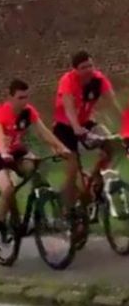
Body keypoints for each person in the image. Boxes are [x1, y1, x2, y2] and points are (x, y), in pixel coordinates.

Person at [0, 79, 70, 241]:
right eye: (20, 98)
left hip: (16, 151)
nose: (24, 102)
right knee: (8, 189)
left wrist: (61, 148)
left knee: (35, 169)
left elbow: (43, 132)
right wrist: (4, 154)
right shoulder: (1, 112)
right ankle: (0, 221)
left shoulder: (29, 112)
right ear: (10, 98)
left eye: (26, 97)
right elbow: (0, 136)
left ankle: (41, 213)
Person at [53, 51, 123, 212]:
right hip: (65, 127)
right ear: (75, 70)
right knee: (73, 169)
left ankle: (96, 181)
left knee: (110, 143)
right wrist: (76, 127)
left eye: (90, 65)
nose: (88, 70)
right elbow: (69, 107)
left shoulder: (99, 80)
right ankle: (67, 209)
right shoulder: (67, 81)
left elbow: (113, 103)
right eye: (83, 67)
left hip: (86, 122)